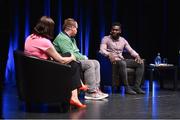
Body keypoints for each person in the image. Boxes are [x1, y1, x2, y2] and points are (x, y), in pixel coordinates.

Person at [24, 16, 86, 108]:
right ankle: (75, 96)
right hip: (45, 71)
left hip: (34, 69)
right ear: (49, 28)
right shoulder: (45, 42)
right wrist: (72, 57)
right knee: (73, 63)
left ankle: (79, 85)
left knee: (68, 55)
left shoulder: (29, 37)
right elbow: (60, 60)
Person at [53, 18, 108, 100]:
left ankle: (96, 88)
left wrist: (83, 57)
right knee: (89, 64)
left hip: (74, 60)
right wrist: (83, 58)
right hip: (64, 63)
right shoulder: (62, 38)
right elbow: (69, 54)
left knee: (96, 62)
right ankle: (90, 92)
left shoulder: (72, 39)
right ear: (72, 28)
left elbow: (76, 53)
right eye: (76, 28)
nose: (77, 30)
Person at [99, 22, 145, 95]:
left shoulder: (123, 40)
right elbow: (102, 50)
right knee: (122, 63)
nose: (114, 31)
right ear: (111, 30)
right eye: (113, 29)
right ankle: (127, 87)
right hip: (113, 62)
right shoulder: (106, 39)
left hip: (122, 59)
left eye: (116, 30)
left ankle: (136, 86)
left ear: (120, 31)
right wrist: (109, 54)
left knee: (140, 63)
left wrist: (137, 55)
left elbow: (130, 50)